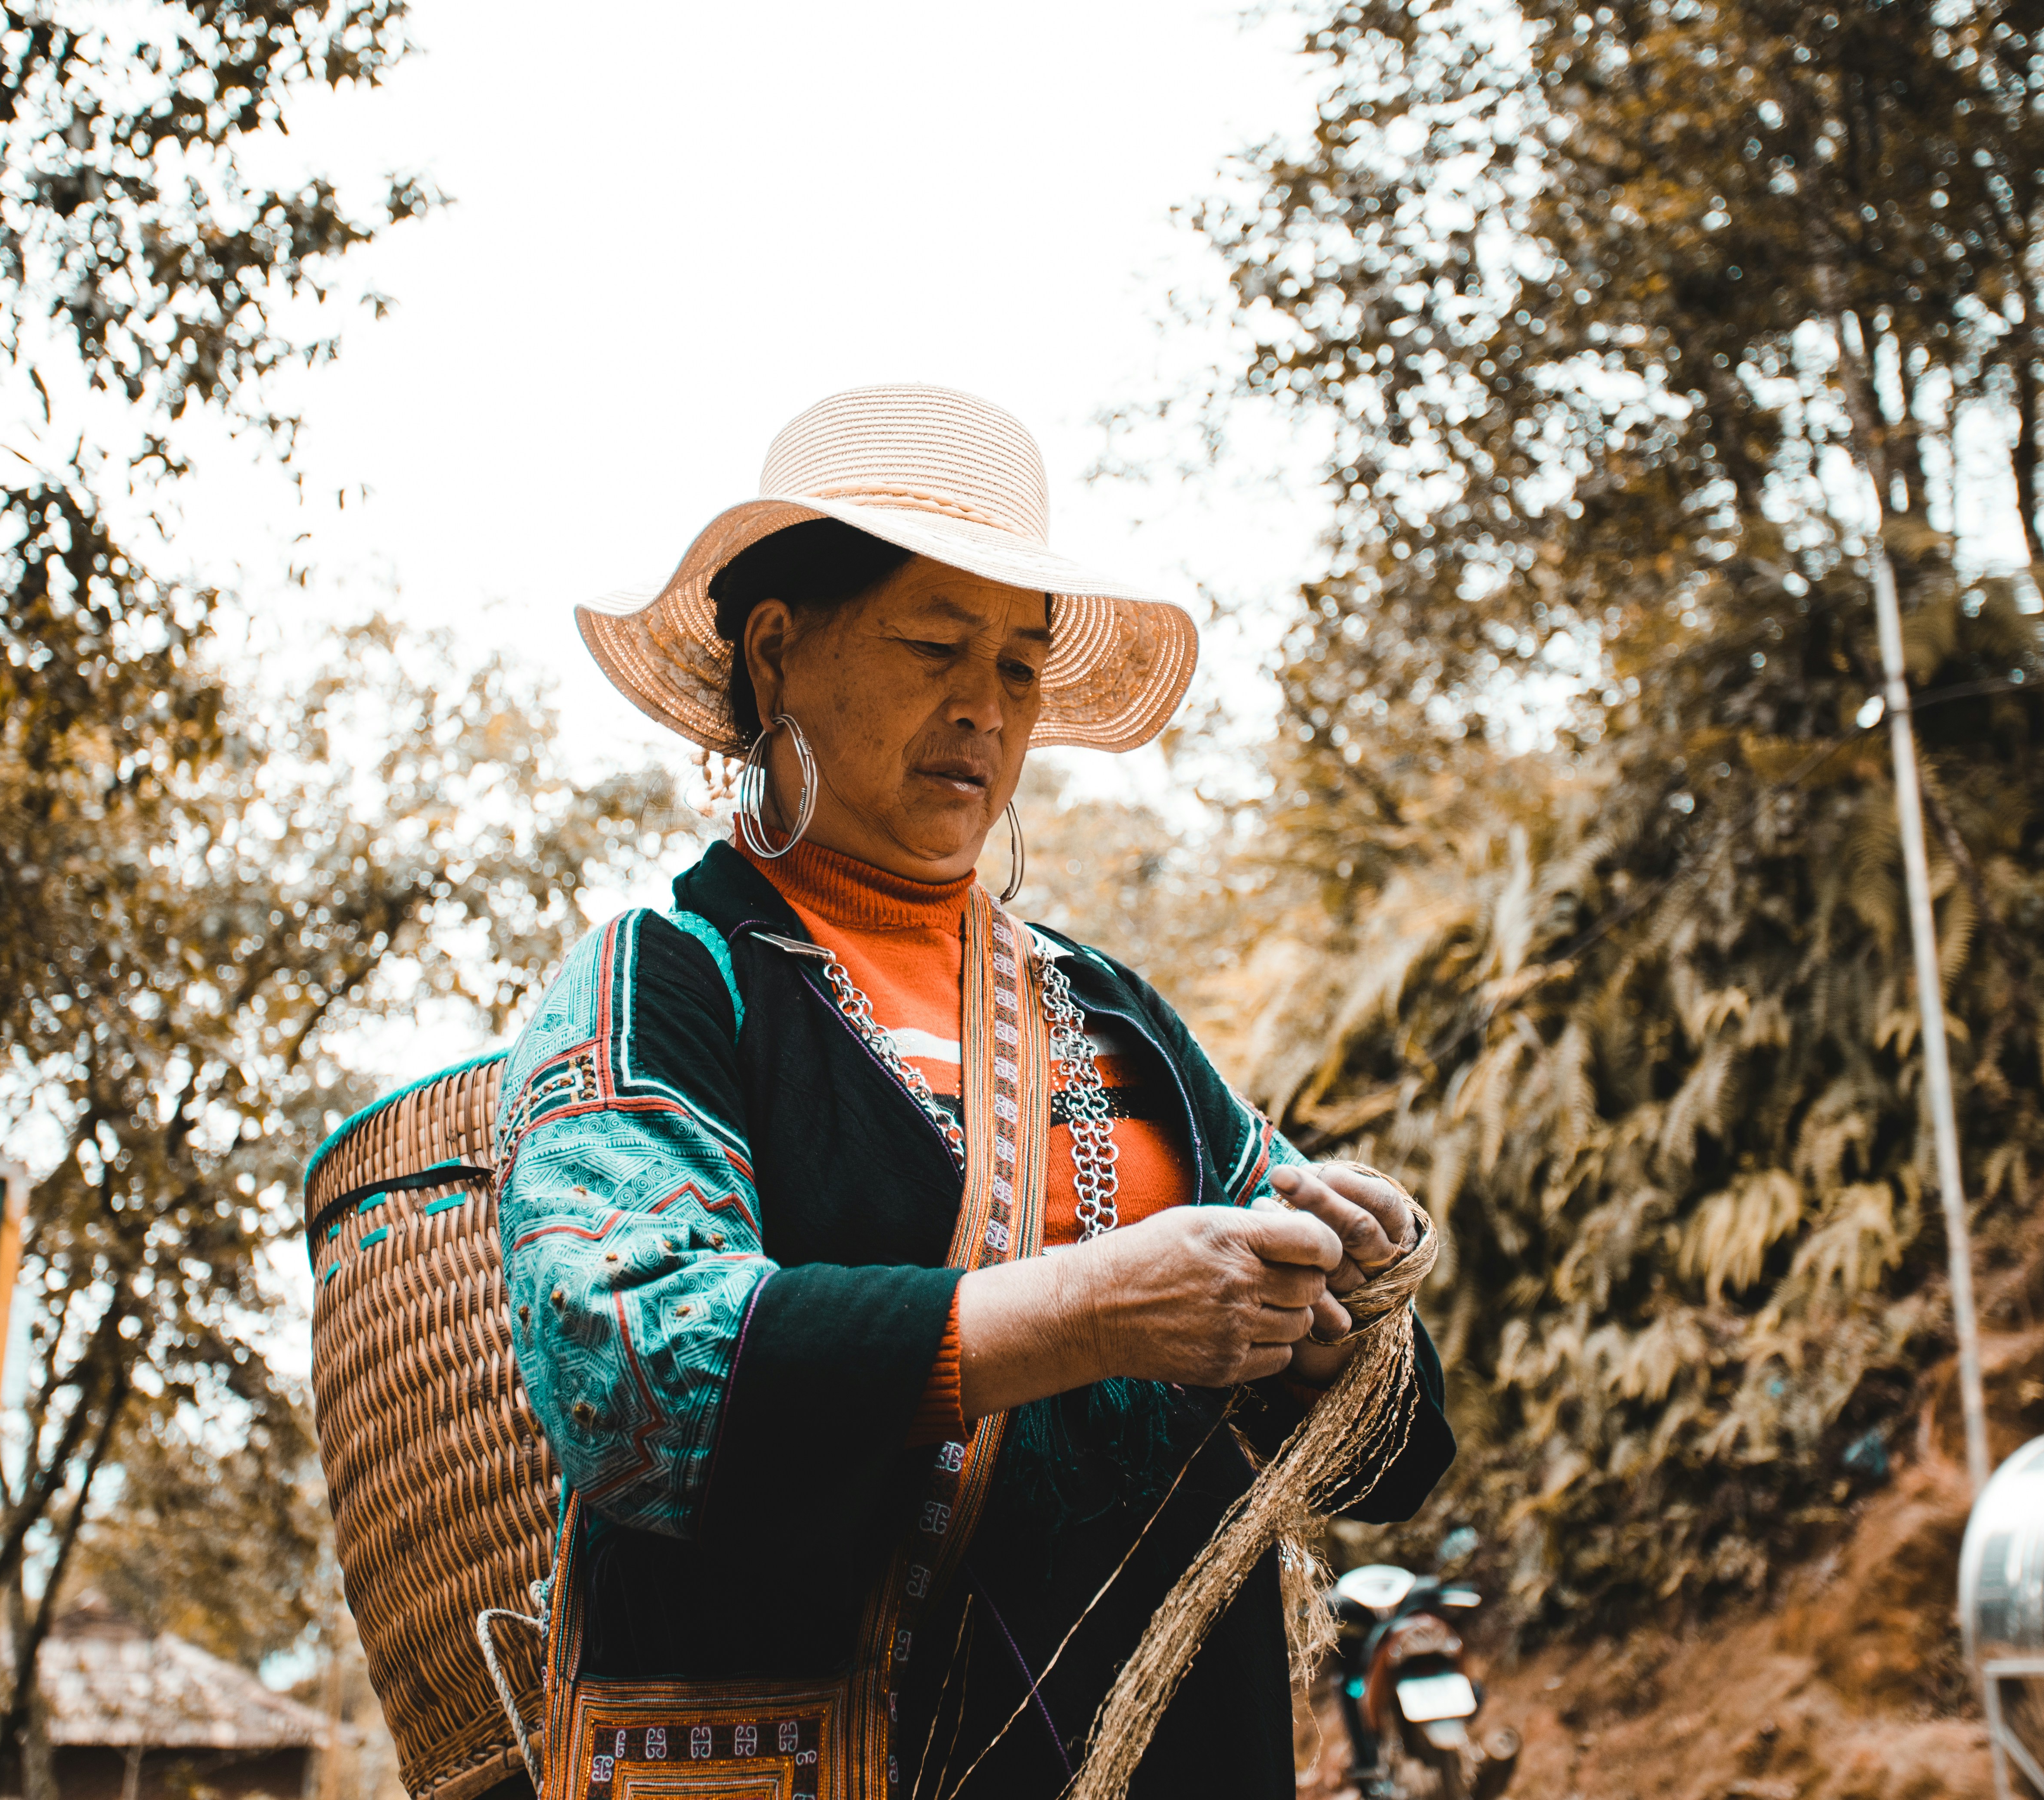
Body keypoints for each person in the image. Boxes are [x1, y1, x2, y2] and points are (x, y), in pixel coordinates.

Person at [493, 384, 1453, 1800]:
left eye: (1018, 667)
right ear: (775, 653)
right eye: (936, 644)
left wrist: (1333, 1322)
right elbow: (627, 1363)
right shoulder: (674, 983)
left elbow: (1395, 1453)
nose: (985, 711)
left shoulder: (1113, 1017)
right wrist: (1091, 1310)